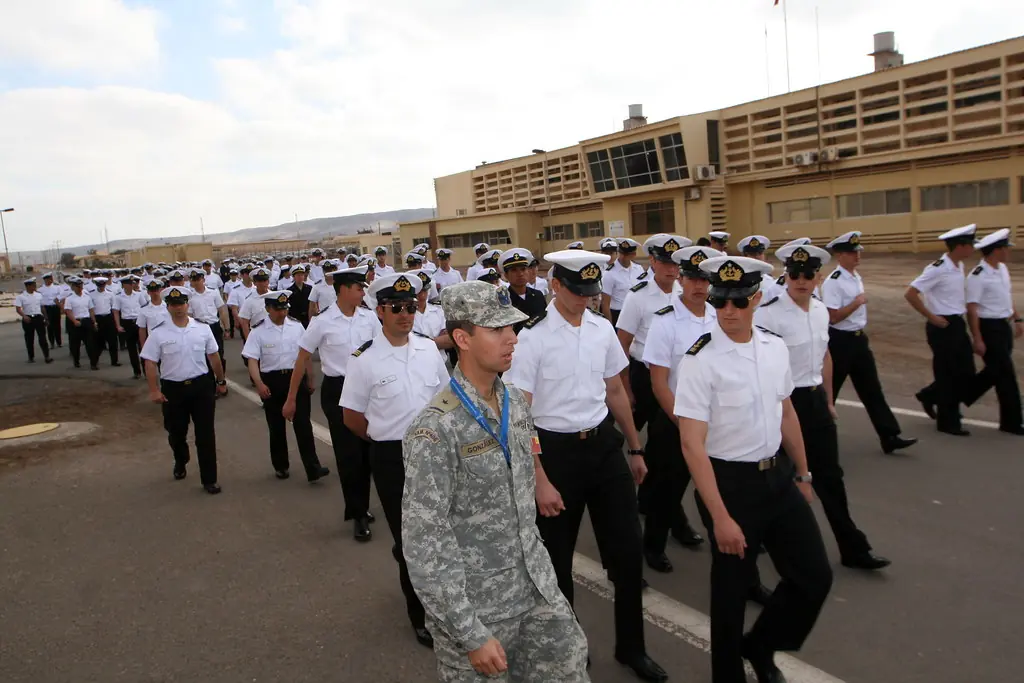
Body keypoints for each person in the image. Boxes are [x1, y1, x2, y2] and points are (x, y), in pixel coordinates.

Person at [402, 281, 590, 682]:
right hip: (478, 611)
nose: (511, 339)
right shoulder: (435, 430)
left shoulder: (515, 402)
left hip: (536, 589)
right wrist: (470, 634)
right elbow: (425, 545)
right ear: (461, 338)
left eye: (512, 328)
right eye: (497, 330)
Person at [505, 249, 667, 682]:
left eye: (591, 293)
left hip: (602, 448)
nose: (586, 300)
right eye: (578, 292)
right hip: (555, 455)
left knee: (629, 553)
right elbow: (520, 414)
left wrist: (635, 448)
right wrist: (539, 478)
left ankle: (633, 648)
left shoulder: (601, 330)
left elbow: (614, 389)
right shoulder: (531, 338)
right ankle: (568, 645)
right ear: (555, 286)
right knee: (557, 562)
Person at [674, 255, 833, 683]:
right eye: (720, 301)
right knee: (730, 596)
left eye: (738, 302)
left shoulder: (773, 346)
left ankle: (761, 645)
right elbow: (691, 443)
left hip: (778, 477)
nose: (728, 311)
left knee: (813, 576)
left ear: (757, 299)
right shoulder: (699, 359)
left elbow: (787, 414)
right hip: (729, 485)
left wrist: (803, 474)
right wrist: (721, 517)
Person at [755, 243, 891, 572]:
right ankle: (766, 543)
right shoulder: (768, 312)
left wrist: (829, 398)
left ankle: (853, 548)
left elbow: (825, 355)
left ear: (818, 278)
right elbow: (759, 364)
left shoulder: (818, 309)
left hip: (813, 399)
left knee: (830, 477)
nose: (801, 280)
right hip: (782, 403)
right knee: (778, 480)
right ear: (786, 275)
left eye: (808, 275)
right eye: (795, 274)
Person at [340, 273, 450, 649]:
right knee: (411, 542)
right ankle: (420, 615)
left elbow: (445, 398)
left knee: (441, 532)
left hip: (434, 453)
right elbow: (352, 417)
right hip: (392, 458)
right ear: (380, 311)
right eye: (397, 308)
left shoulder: (428, 350)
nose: (406, 314)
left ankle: (445, 600)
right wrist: (383, 439)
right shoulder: (363, 360)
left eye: (411, 307)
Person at [639, 245, 723, 571]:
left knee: (717, 487)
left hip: (714, 419)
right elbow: (659, 381)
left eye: (704, 279)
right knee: (668, 489)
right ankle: (654, 546)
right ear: (682, 279)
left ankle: (729, 548)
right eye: (692, 278)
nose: (699, 286)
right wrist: (683, 422)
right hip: (675, 418)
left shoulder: (720, 315)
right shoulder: (666, 321)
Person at [283, 264, 381, 541]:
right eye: (359, 287)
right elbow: (302, 358)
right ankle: (358, 513)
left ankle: (361, 503)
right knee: (349, 454)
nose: (363, 291)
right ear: (344, 289)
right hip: (338, 389)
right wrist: (291, 398)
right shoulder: (322, 322)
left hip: (369, 388)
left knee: (369, 451)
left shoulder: (369, 318)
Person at [822, 231, 917, 454]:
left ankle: (889, 435)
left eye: (858, 252)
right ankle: (816, 439)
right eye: (852, 252)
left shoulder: (855, 277)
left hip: (858, 340)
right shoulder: (833, 282)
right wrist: (856, 303)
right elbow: (833, 316)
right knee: (829, 393)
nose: (857, 256)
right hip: (840, 342)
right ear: (840, 255)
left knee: (872, 390)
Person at [140, 286, 228, 494]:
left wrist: (221, 380)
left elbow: (214, 357)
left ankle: (209, 479)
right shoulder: (159, 333)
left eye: (182, 304)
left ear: (188, 305)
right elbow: (150, 363)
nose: (178, 308)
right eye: (173, 305)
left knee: (206, 434)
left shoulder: (202, 329)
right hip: (173, 390)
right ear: (168, 307)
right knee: (176, 432)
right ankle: (181, 459)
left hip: (201, 388)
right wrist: (154, 390)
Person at [243, 291, 331, 481]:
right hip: (271, 381)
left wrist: (310, 376)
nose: (282, 313)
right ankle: (281, 465)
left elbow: (304, 354)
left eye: (284, 309)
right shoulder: (257, 331)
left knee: (303, 426)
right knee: (276, 427)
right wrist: (259, 383)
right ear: (268, 309)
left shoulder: (296, 327)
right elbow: (252, 360)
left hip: (295, 378)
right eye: (277, 309)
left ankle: (313, 467)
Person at [905, 224, 979, 436]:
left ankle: (931, 395)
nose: (973, 248)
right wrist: (932, 317)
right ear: (959, 247)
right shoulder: (938, 268)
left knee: (966, 371)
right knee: (948, 374)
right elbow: (911, 294)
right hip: (942, 326)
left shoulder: (958, 266)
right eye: (970, 245)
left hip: (956, 322)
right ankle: (948, 422)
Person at [617, 234, 688, 434]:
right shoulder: (637, 296)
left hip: (676, 375)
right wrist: (626, 387)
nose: (672, 269)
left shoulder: (684, 295)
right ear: (653, 261)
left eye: (676, 264)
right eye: (666, 263)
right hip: (644, 374)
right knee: (635, 428)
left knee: (667, 432)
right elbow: (622, 343)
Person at [962, 229, 1023, 435]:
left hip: (1003, 326)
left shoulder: (1002, 269)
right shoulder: (978, 276)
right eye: (1005, 248)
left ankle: (941, 395)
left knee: (994, 373)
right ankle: (1012, 423)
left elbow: (1006, 296)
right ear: (996, 250)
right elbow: (972, 309)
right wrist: (977, 338)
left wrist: (1017, 318)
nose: (1008, 252)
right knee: (1006, 376)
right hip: (989, 328)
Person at [499, 248, 545, 332]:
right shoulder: (502, 300)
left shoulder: (538, 296)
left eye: (523, 269)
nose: (520, 274)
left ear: (528, 271)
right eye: (514, 270)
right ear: (506, 275)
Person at [601, 238, 645, 323]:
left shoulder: (639, 269)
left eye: (626, 254)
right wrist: (610, 326)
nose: (623, 257)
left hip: (636, 313)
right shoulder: (609, 273)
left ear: (633, 255)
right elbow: (605, 304)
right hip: (618, 314)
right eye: (621, 253)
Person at [410, 270, 453, 350]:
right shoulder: (404, 314)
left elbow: (450, 340)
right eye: (418, 292)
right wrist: (438, 341)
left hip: (439, 360)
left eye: (425, 290)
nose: (422, 295)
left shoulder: (438, 311)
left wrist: (419, 344)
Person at [113, 276, 144, 378]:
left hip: (138, 322)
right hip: (127, 323)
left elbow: (145, 308)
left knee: (143, 348)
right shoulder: (118, 297)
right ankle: (137, 372)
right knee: (132, 349)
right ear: (124, 285)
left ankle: (146, 371)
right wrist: (118, 325)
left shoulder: (139, 295)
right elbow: (116, 311)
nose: (132, 285)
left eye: (133, 283)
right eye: (130, 284)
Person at [15, 277, 52, 364]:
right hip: (28, 319)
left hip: (38, 318)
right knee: (29, 339)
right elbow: (18, 309)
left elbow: (42, 307)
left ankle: (47, 356)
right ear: (27, 286)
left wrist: (46, 318)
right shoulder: (21, 297)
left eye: (35, 285)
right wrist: (24, 316)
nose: (35, 287)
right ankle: (31, 357)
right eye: (33, 285)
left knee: (42, 338)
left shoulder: (38, 295)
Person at [64, 277, 99, 369]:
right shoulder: (69, 298)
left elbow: (91, 310)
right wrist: (74, 321)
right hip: (75, 322)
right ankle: (76, 361)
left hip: (86, 321)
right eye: (78, 287)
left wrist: (94, 322)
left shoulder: (87, 297)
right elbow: (68, 311)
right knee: (75, 344)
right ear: (73, 287)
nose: (80, 288)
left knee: (90, 343)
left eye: (81, 286)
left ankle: (93, 363)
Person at [737, 236, 780, 304]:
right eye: (752, 254)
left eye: (760, 253)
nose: (757, 257)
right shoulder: (738, 281)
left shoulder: (771, 280)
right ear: (745, 257)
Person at [90, 277, 121, 367]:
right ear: (96, 285)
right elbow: (91, 309)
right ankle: (94, 363)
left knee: (113, 341)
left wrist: (115, 322)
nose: (101, 287)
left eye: (103, 285)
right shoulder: (91, 295)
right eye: (100, 285)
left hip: (108, 318)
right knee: (97, 343)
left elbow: (114, 308)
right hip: (97, 318)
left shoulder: (110, 294)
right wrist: (94, 322)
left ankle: (114, 361)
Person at [239, 267, 273, 338]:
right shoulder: (249, 300)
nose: (263, 283)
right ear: (254, 283)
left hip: (273, 334)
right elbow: (244, 322)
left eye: (265, 280)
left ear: (268, 281)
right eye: (260, 281)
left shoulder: (274, 296)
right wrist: (249, 340)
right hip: (257, 336)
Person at [137, 278, 170, 348]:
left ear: (161, 290)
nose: (155, 293)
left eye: (157, 290)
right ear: (148, 292)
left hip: (169, 341)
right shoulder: (144, 309)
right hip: (153, 343)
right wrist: (143, 346)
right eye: (152, 291)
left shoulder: (169, 306)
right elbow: (142, 329)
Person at [39, 273, 64, 349]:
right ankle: (52, 343)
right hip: (47, 309)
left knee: (57, 325)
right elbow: (39, 300)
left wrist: (59, 303)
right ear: (45, 280)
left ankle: (59, 342)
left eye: (51, 278)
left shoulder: (57, 288)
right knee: (49, 326)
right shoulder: (40, 290)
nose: (50, 280)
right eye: (48, 279)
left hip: (55, 307)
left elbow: (62, 295)